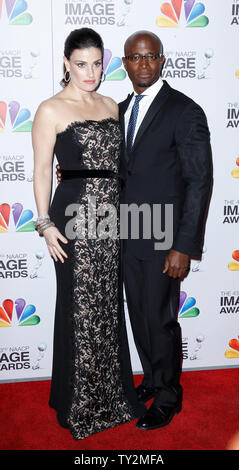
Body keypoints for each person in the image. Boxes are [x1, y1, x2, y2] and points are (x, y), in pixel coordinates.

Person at [57, 30, 213, 431]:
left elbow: (199, 182)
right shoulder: (118, 109)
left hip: (162, 235)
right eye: (134, 58)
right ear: (123, 64)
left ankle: (168, 396)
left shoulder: (185, 110)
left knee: (159, 318)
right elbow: (110, 167)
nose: (143, 64)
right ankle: (151, 378)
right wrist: (73, 171)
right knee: (139, 315)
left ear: (162, 60)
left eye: (151, 57)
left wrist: (184, 245)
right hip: (121, 232)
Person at [32, 27, 145, 441]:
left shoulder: (112, 105)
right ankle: (76, 400)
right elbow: (44, 170)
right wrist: (45, 224)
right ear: (66, 63)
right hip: (74, 217)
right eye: (81, 64)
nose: (91, 72)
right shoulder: (50, 109)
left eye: (97, 63)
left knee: (108, 306)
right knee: (78, 306)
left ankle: (113, 395)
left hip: (112, 218)